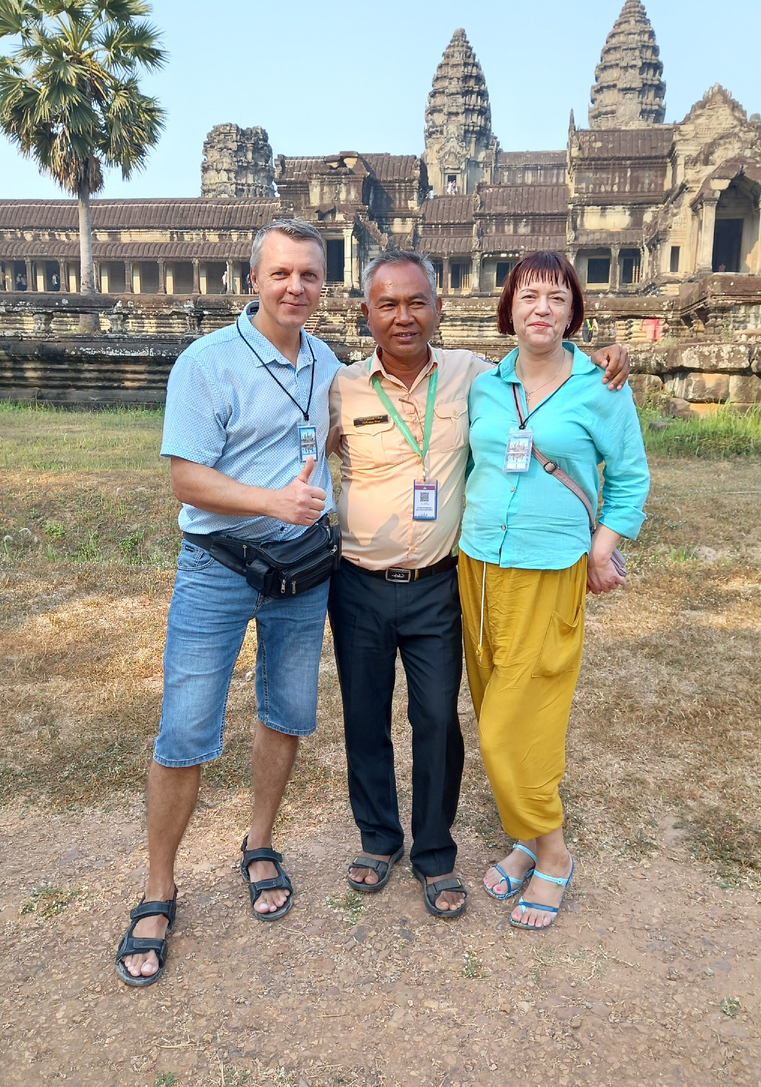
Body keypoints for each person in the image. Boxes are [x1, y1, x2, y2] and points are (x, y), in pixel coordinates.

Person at [327, 249, 630, 918]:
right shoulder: (339, 383)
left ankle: (436, 853)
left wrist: (607, 352)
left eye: (416, 303)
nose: (403, 317)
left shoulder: (472, 374)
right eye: (387, 304)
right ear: (366, 312)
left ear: (439, 308)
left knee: (440, 721)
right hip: (362, 582)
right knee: (364, 719)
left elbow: (560, 370)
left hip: (442, 580)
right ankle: (380, 840)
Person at [116, 219, 339, 985]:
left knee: (286, 711)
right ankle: (157, 886)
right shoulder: (206, 363)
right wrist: (271, 502)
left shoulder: (326, 362)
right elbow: (186, 479)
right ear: (253, 280)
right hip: (218, 565)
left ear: (322, 283)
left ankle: (260, 841)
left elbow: (346, 430)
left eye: (309, 275)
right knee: (184, 727)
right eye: (281, 274)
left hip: (304, 569)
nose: (295, 288)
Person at [458, 251, 649, 930]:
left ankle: (555, 852)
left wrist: (605, 548)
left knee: (514, 725)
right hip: (477, 565)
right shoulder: (484, 384)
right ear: (508, 308)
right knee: (492, 712)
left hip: (551, 569)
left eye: (557, 298)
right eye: (529, 296)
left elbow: (629, 479)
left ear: (574, 313)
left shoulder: (602, 383)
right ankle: (523, 837)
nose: (542, 308)